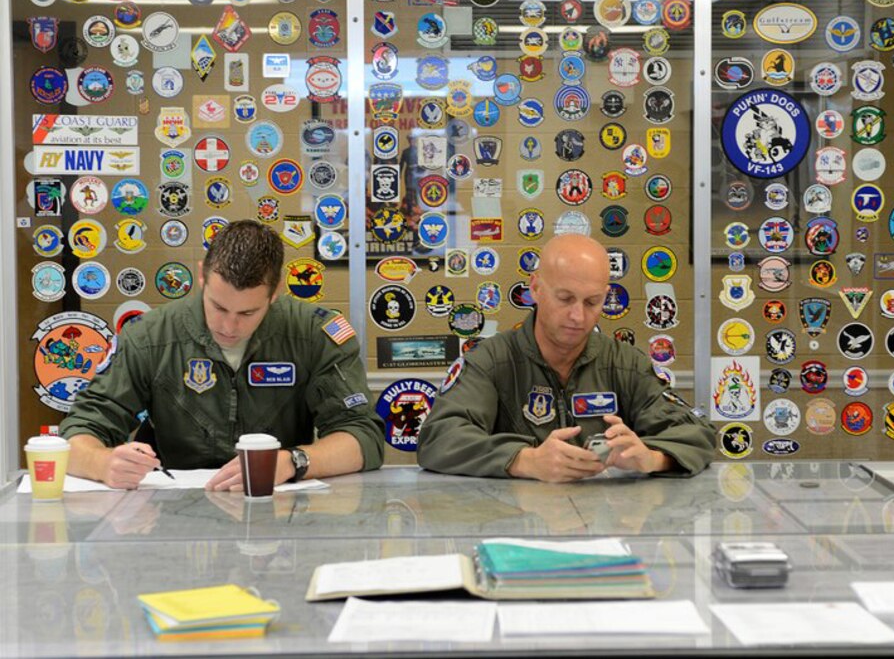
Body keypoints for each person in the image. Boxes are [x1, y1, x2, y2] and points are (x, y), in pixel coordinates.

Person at [60, 220, 384, 490]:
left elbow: (363, 438)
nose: (229, 326)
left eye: (247, 312)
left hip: (277, 513)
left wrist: (292, 462)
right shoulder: (149, 336)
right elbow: (79, 430)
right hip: (173, 517)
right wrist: (103, 463)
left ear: (276, 292)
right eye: (218, 306)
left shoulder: (314, 335)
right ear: (201, 275)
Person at [417, 233, 716, 482]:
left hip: (607, 528)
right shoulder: (492, 361)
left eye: (592, 302)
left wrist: (652, 458)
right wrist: (524, 460)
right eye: (565, 298)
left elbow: (698, 433)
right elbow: (438, 438)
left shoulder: (625, 364)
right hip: (515, 527)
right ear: (535, 288)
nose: (578, 316)